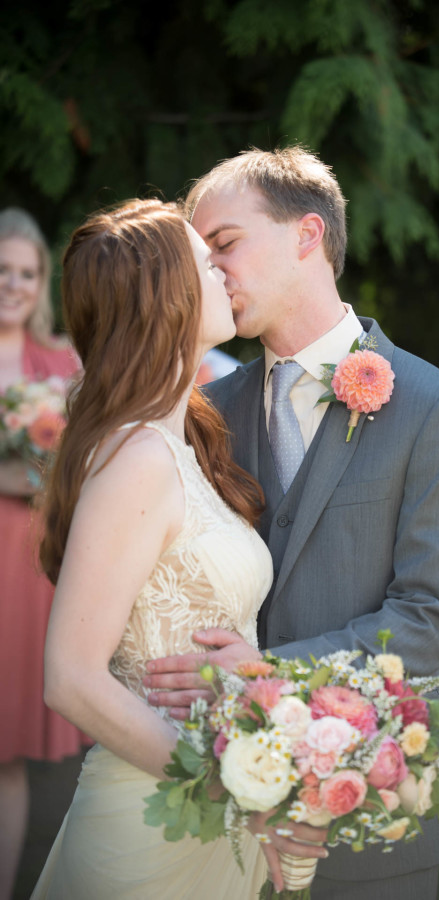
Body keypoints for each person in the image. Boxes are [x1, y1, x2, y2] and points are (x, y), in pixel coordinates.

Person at [143, 147, 439, 900]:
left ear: (306, 235)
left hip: (371, 805)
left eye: (225, 244)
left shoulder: (437, 409)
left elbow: (433, 616)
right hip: (217, 822)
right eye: (201, 256)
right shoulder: (207, 415)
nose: (212, 272)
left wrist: (269, 675)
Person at [31, 198, 327, 898]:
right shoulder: (136, 457)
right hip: (151, 826)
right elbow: (69, 677)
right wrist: (235, 796)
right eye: (204, 261)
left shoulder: (183, 443)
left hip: (211, 815)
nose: (223, 271)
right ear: (164, 297)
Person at [0, 207, 89, 900]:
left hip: (23, 562)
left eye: (26, 273)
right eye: (1, 270)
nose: (13, 284)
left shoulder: (63, 362)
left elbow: (81, 462)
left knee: (6, 755)